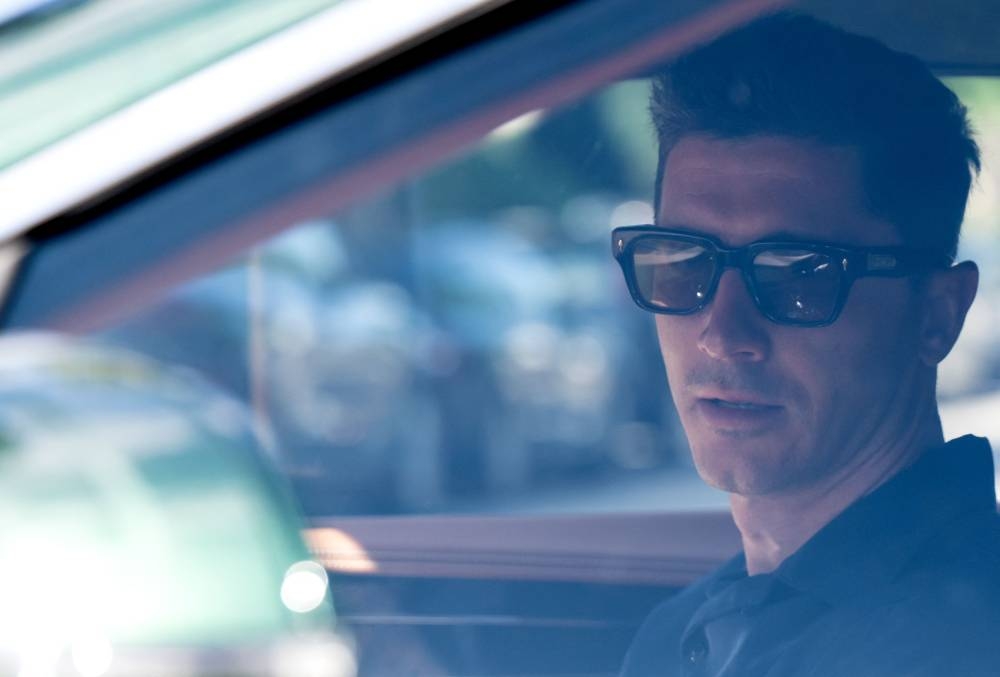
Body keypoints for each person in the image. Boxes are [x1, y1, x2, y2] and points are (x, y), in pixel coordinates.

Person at [612, 12, 1000, 677]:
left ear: (936, 315)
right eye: (682, 261)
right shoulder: (687, 626)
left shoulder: (956, 641)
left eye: (799, 276)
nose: (723, 334)